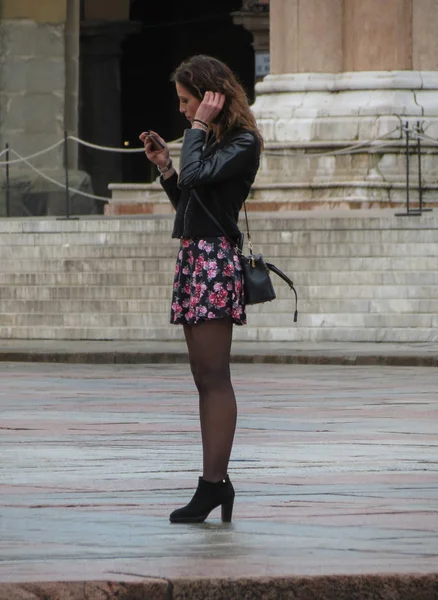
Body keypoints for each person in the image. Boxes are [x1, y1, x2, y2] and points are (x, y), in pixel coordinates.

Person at [139, 55, 262, 524]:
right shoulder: (207, 143)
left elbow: (199, 180)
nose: (182, 110)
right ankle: (216, 484)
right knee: (202, 379)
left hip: (214, 262)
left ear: (212, 98)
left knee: (215, 378)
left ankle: (211, 486)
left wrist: (193, 134)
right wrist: (166, 168)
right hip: (195, 258)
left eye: (187, 101)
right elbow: (190, 201)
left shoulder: (242, 142)